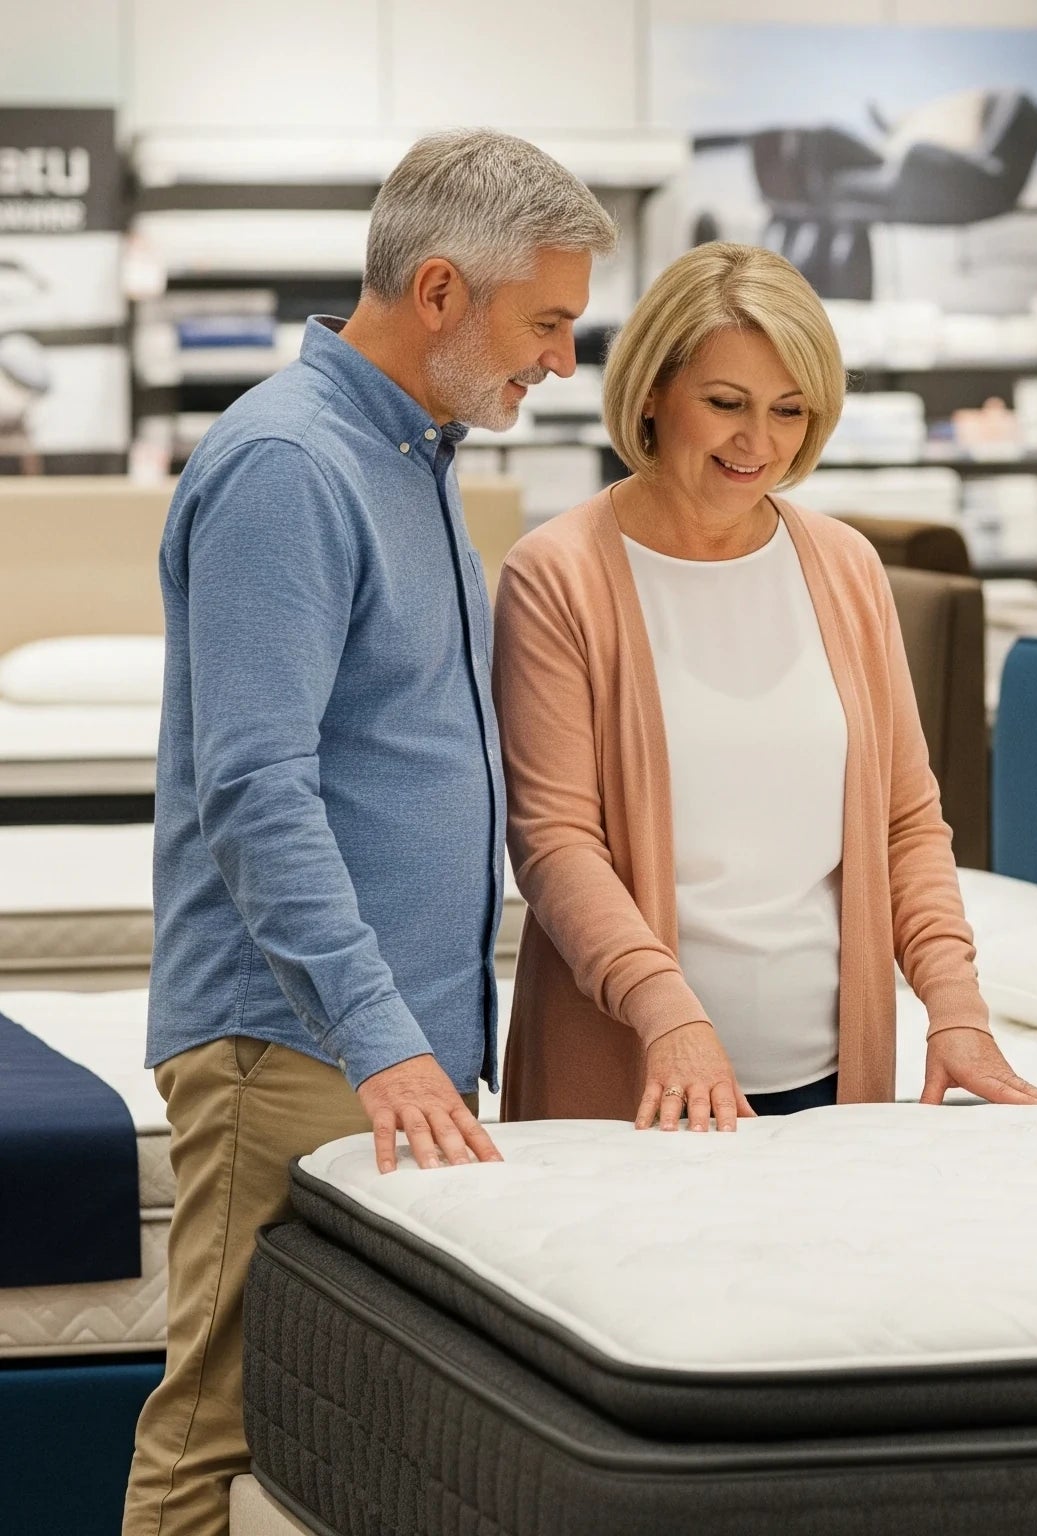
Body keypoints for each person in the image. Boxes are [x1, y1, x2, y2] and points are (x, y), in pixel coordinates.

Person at [129, 130, 616, 1536]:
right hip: (302, 1043)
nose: (564, 361)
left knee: (338, 1431)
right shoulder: (292, 464)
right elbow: (257, 787)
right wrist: (382, 1030)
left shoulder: (413, 457)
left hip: (385, 1046)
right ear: (445, 292)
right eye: (550, 321)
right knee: (220, 1427)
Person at [493, 242, 1037, 1129]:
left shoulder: (845, 569)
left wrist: (955, 1005)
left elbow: (907, 820)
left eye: (790, 412)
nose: (758, 443)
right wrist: (668, 1014)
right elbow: (556, 842)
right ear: (651, 391)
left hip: (832, 1090)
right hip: (632, 1083)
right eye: (725, 404)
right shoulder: (558, 576)